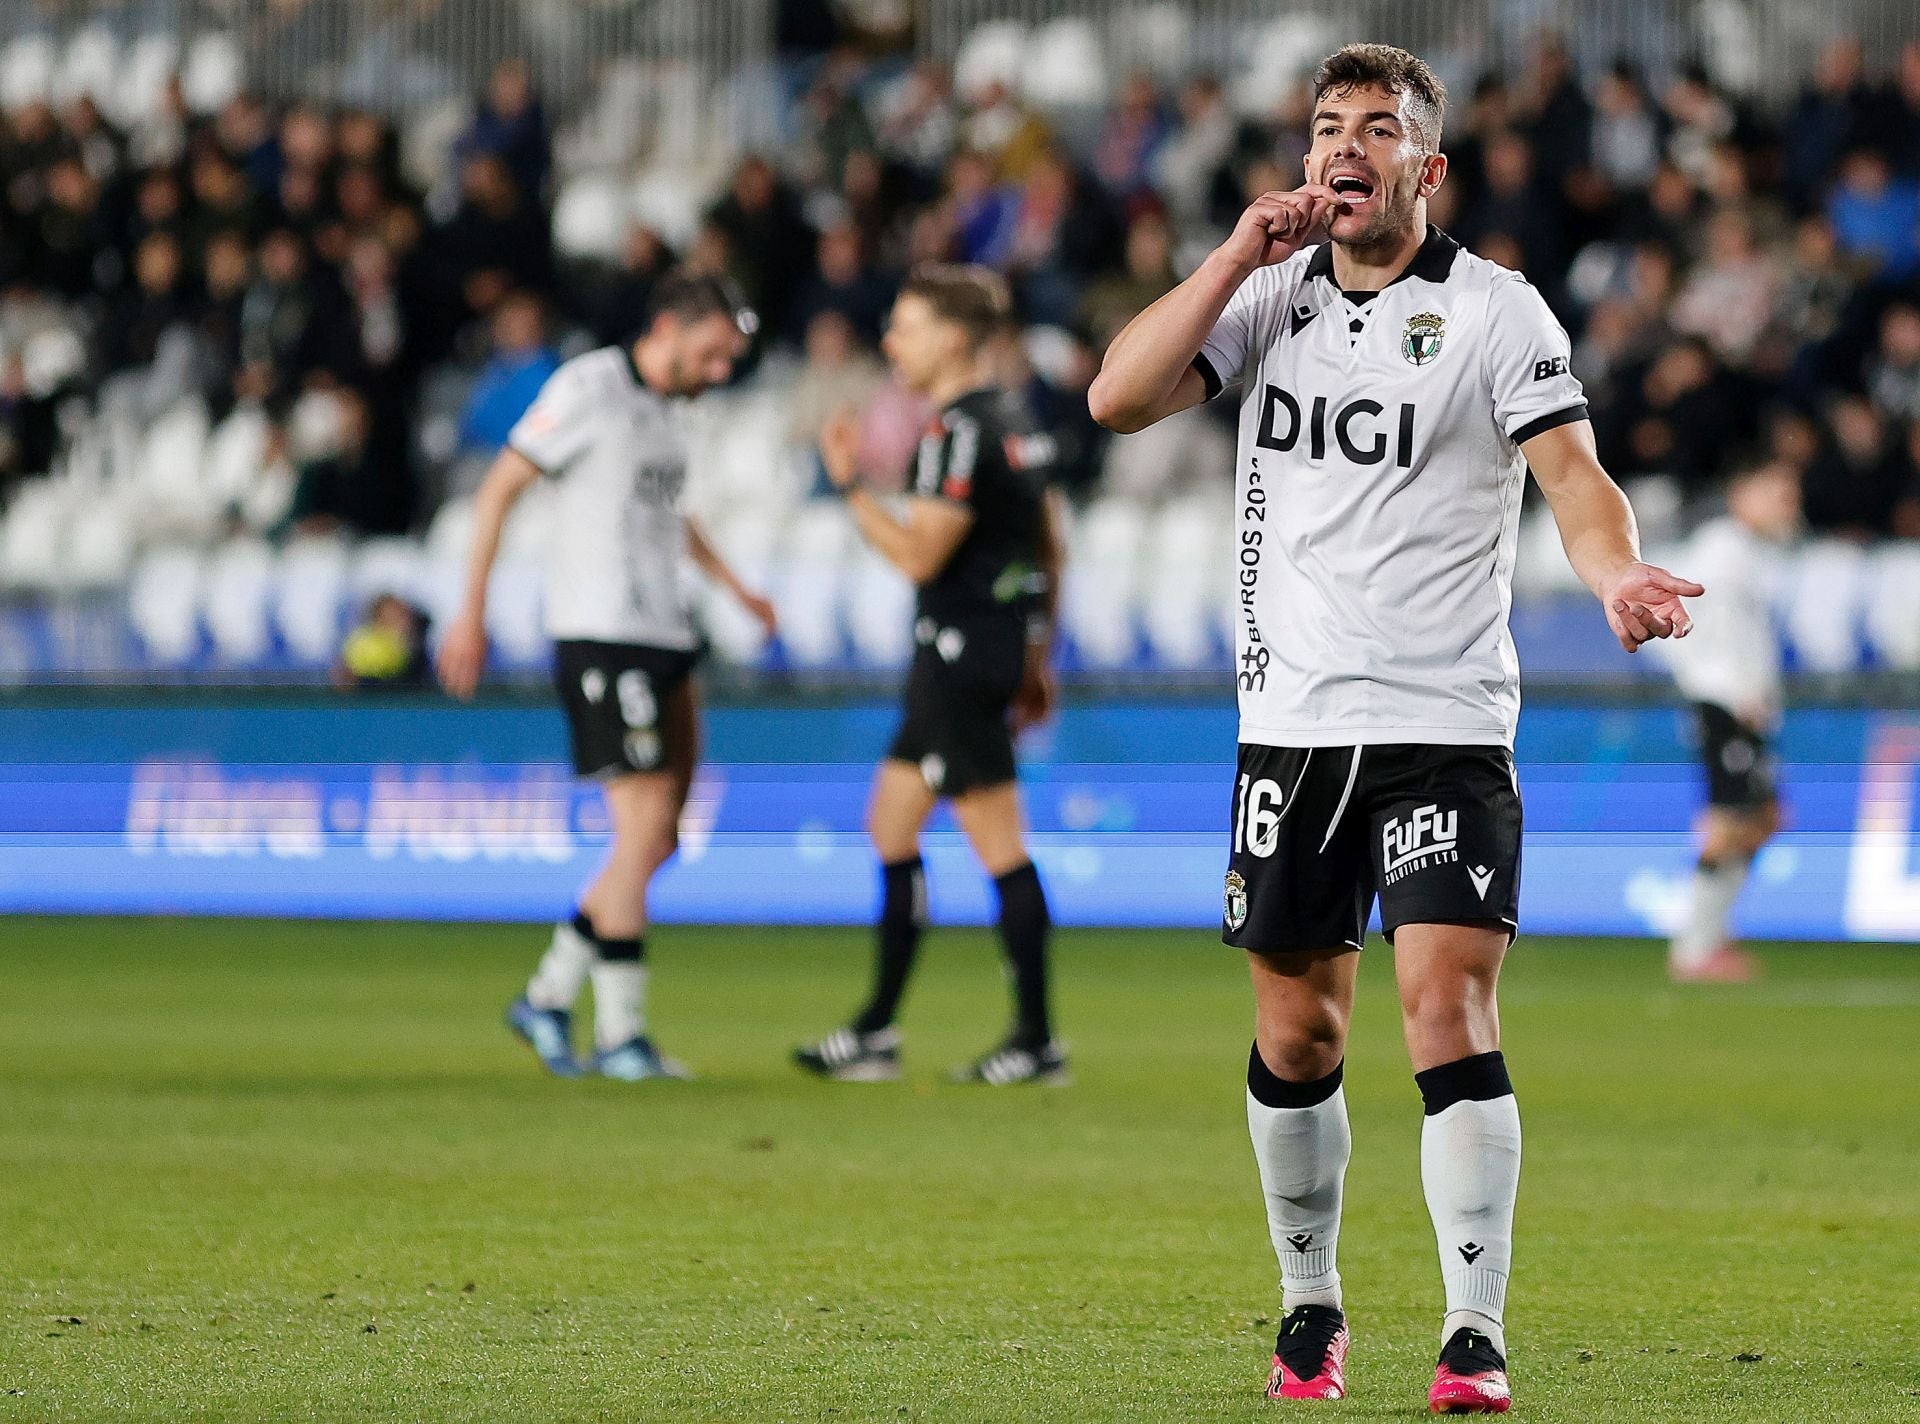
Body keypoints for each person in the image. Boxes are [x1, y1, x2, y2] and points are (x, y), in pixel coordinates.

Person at [1087, 43, 1701, 1414]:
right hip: (1290, 725)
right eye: (1324, 130)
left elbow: (1574, 476)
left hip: (1444, 722)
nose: (1343, 149)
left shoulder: (1498, 313)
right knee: (1301, 1039)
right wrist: (1234, 252)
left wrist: (1616, 576)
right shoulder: (1265, 299)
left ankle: (1473, 1329)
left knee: (1444, 1005)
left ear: (1429, 167)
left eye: (1375, 129)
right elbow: (1116, 396)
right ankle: (1311, 1304)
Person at [436, 273, 776, 1081]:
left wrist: (734, 587)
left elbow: (669, 512)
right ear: (667, 327)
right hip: (602, 635)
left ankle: (549, 994)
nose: (720, 371)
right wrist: (470, 611)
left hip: (666, 631)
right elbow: (499, 488)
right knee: (640, 831)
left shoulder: (670, 409)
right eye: (713, 353)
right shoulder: (589, 387)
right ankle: (619, 1031)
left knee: (658, 839)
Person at [793, 265, 1067, 1086]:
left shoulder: (954, 432)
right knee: (891, 825)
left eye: (905, 326)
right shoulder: (1018, 420)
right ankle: (876, 1029)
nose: (891, 342)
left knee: (1000, 847)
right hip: (980, 652)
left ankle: (1036, 1041)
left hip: (956, 656)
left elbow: (920, 554)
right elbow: (1052, 547)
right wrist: (1036, 654)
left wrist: (846, 483)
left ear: (952, 337)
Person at [1658, 461, 1799, 983]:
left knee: (1763, 816)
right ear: (1744, 490)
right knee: (1729, 818)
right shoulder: (1722, 547)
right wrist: (1722, 687)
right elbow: (1683, 621)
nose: (1789, 505)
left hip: (1744, 704)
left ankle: (1711, 929)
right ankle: (1695, 949)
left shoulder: (1750, 553)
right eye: (1777, 492)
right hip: (1723, 703)